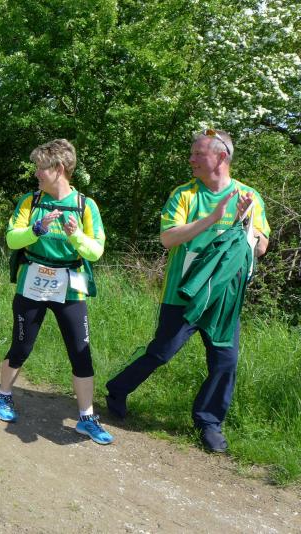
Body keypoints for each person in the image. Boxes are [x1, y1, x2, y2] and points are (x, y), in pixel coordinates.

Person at [106, 130, 270, 453]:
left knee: (225, 361)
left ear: (221, 158)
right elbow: (168, 238)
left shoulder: (249, 195)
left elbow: (261, 247)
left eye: (198, 154)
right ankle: (118, 389)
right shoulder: (185, 194)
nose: (191, 159)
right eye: (192, 153)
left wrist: (245, 219)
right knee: (162, 352)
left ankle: (208, 422)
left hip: (224, 297)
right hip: (184, 293)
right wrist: (213, 218)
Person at [0, 139, 114, 445]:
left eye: (40, 167)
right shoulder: (30, 202)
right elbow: (12, 239)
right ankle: (3, 396)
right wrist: (37, 229)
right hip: (32, 280)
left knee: (80, 352)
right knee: (21, 346)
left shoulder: (86, 206)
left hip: (71, 285)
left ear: (58, 169)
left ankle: (87, 417)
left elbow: (95, 251)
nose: (36, 173)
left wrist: (76, 236)